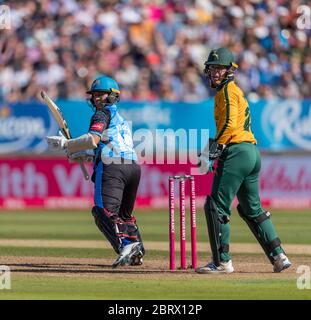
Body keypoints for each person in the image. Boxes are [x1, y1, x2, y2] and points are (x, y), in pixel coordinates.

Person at [196, 48, 291, 274]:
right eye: (213, 68)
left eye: (220, 69)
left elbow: (229, 124)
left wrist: (214, 149)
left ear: (230, 71)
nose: (216, 73)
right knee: (251, 209)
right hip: (250, 152)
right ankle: (279, 257)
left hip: (237, 151)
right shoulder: (232, 91)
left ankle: (222, 262)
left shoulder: (227, 91)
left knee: (216, 206)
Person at [46, 75, 145, 268]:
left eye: (102, 94)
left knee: (103, 212)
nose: (98, 98)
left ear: (113, 96)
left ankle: (126, 245)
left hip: (113, 168)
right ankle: (137, 250)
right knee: (124, 215)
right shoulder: (120, 119)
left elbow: (93, 140)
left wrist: (67, 144)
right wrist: (83, 155)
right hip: (133, 168)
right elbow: (108, 147)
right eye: (95, 95)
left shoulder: (101, 114)